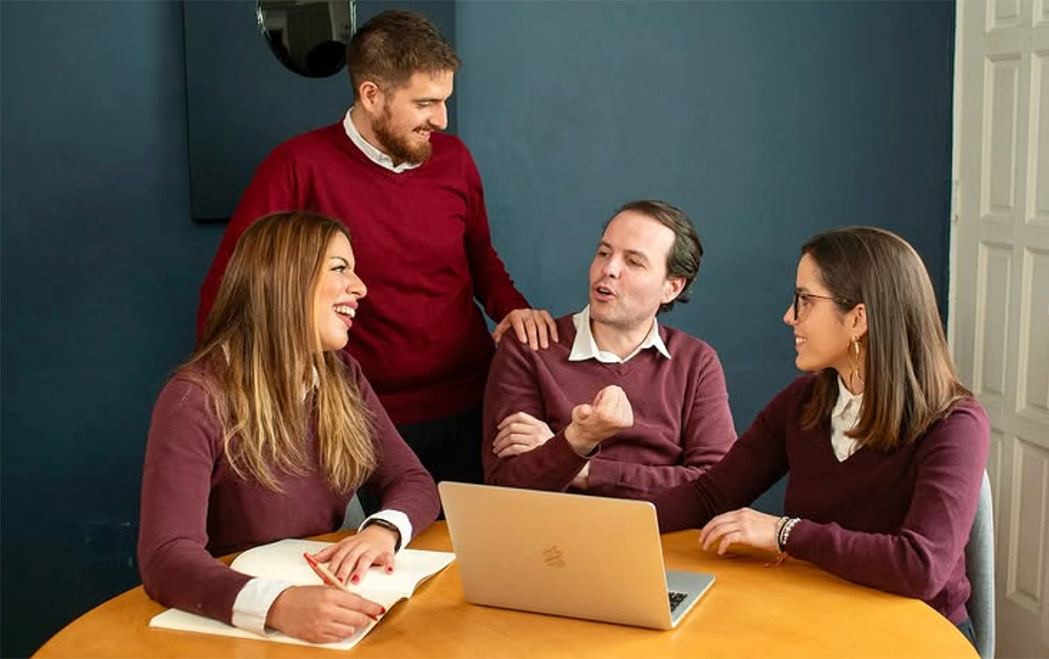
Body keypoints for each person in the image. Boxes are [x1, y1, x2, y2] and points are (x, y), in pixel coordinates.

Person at [197, 10, 555, 488]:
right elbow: (231, 288)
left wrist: (513, 308)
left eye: (445, 101)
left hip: (471, 403)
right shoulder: (297, 166)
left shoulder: (455, 159)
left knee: (474, 556)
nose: (442, 120)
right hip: (352, 413)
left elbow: (480, 259)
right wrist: (215, 401)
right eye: (425, 103)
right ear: (371, 95)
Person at [651, 226, 989, 644]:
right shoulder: (803, 401)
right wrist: (619, 529)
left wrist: (784, 533)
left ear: (858, 319)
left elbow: (920, 567)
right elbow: (711, 495)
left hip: (917, 635)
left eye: (805, 300)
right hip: (817, 616)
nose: (789, 316)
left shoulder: (955, 423)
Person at [140, 212, 440, 644]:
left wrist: (384, 529)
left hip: (335, 612)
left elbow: (412, 480)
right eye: (340, 268)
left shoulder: (341, 375)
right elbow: (166, 557)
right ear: (285, 280)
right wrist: (275, 605)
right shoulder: (194, 398)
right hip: (238, 634)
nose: (360, 288)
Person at [482, 200, 736, 498]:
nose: (608, 269)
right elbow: (505, 487)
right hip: (553, 538)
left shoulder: (696, 361)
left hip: (661, 536)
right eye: (604, 252)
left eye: (634, 262)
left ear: (672, 287)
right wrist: (578, 441)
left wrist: (579, 460)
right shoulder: (529, 347)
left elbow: (718, 486)